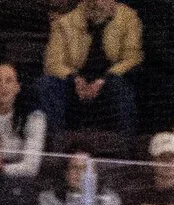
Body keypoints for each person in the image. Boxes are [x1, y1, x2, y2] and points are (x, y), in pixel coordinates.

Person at [38, 0, 143, 135]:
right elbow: (52, 62)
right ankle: (57, 144)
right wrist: (74, 78)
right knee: (47, 85)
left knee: (121, 86)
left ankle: (123, 146)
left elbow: (132, 57)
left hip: (110, 81)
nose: (98, 3)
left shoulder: (128, 18)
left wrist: (106, 79)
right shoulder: (65, 22)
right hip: (75, 84)